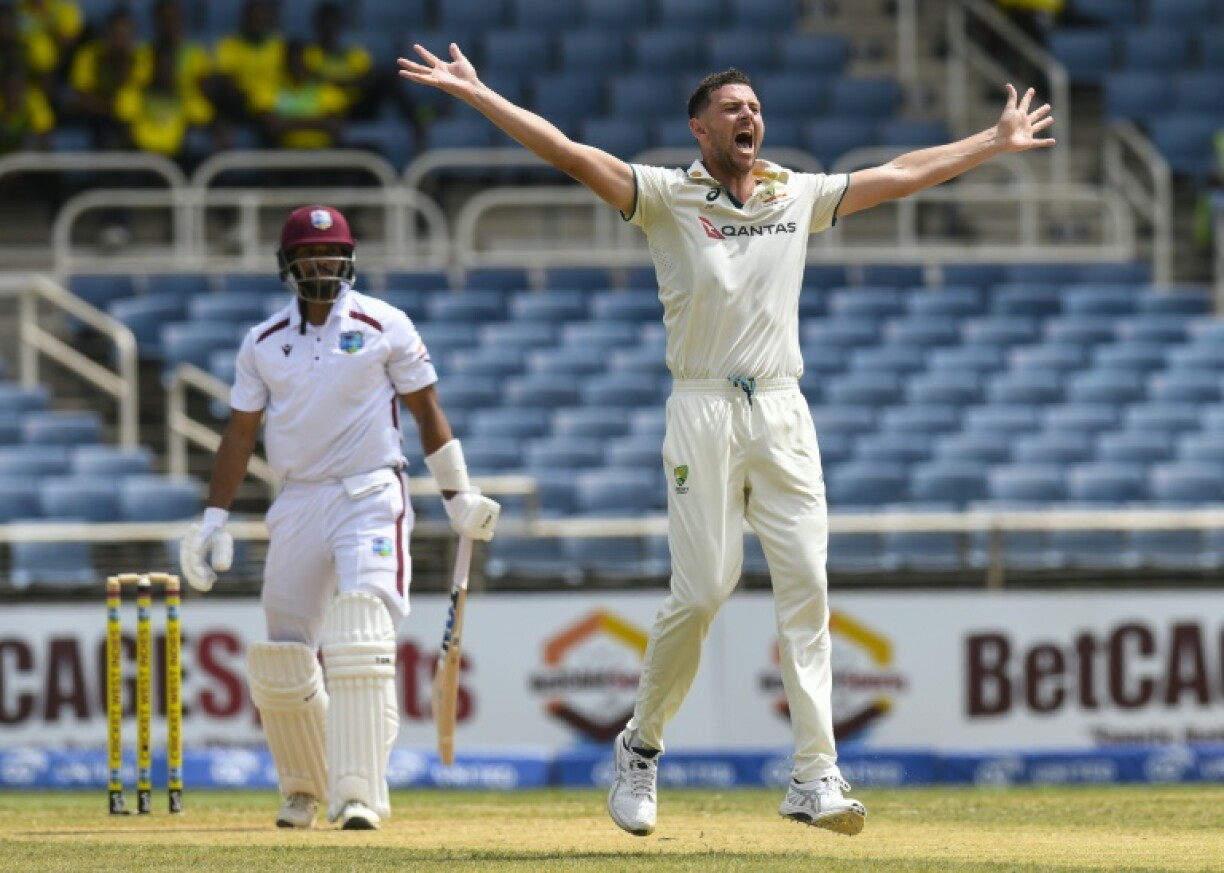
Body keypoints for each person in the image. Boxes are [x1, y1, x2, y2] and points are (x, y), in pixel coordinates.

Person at [399, 45, 1054, 837]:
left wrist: (990, 141)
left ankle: (815, 774)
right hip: (703, 406)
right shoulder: (667, 196)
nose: (749, 115)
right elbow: (568, 153)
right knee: (705, 589)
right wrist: (480, 96)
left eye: (754, 105)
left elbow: (902, 172)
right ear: (699, 128)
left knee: (807, 586)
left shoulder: (794, 192)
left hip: (783, 408)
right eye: (732, 108)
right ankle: (640, 746)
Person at [179, 204, 501, 830]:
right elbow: (240, 433)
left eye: (331, 253)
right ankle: (305, 787)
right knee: (282, 657)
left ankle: (360, 793)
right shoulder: (264, 343)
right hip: (297, 498)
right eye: (308, 254)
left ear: (349, 259)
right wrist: (213, 517)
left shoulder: (385, 324)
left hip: (370, 493)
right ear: (288, 263)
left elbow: (427, 412)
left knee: (361, 634)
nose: (321, 263)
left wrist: (456, 496)